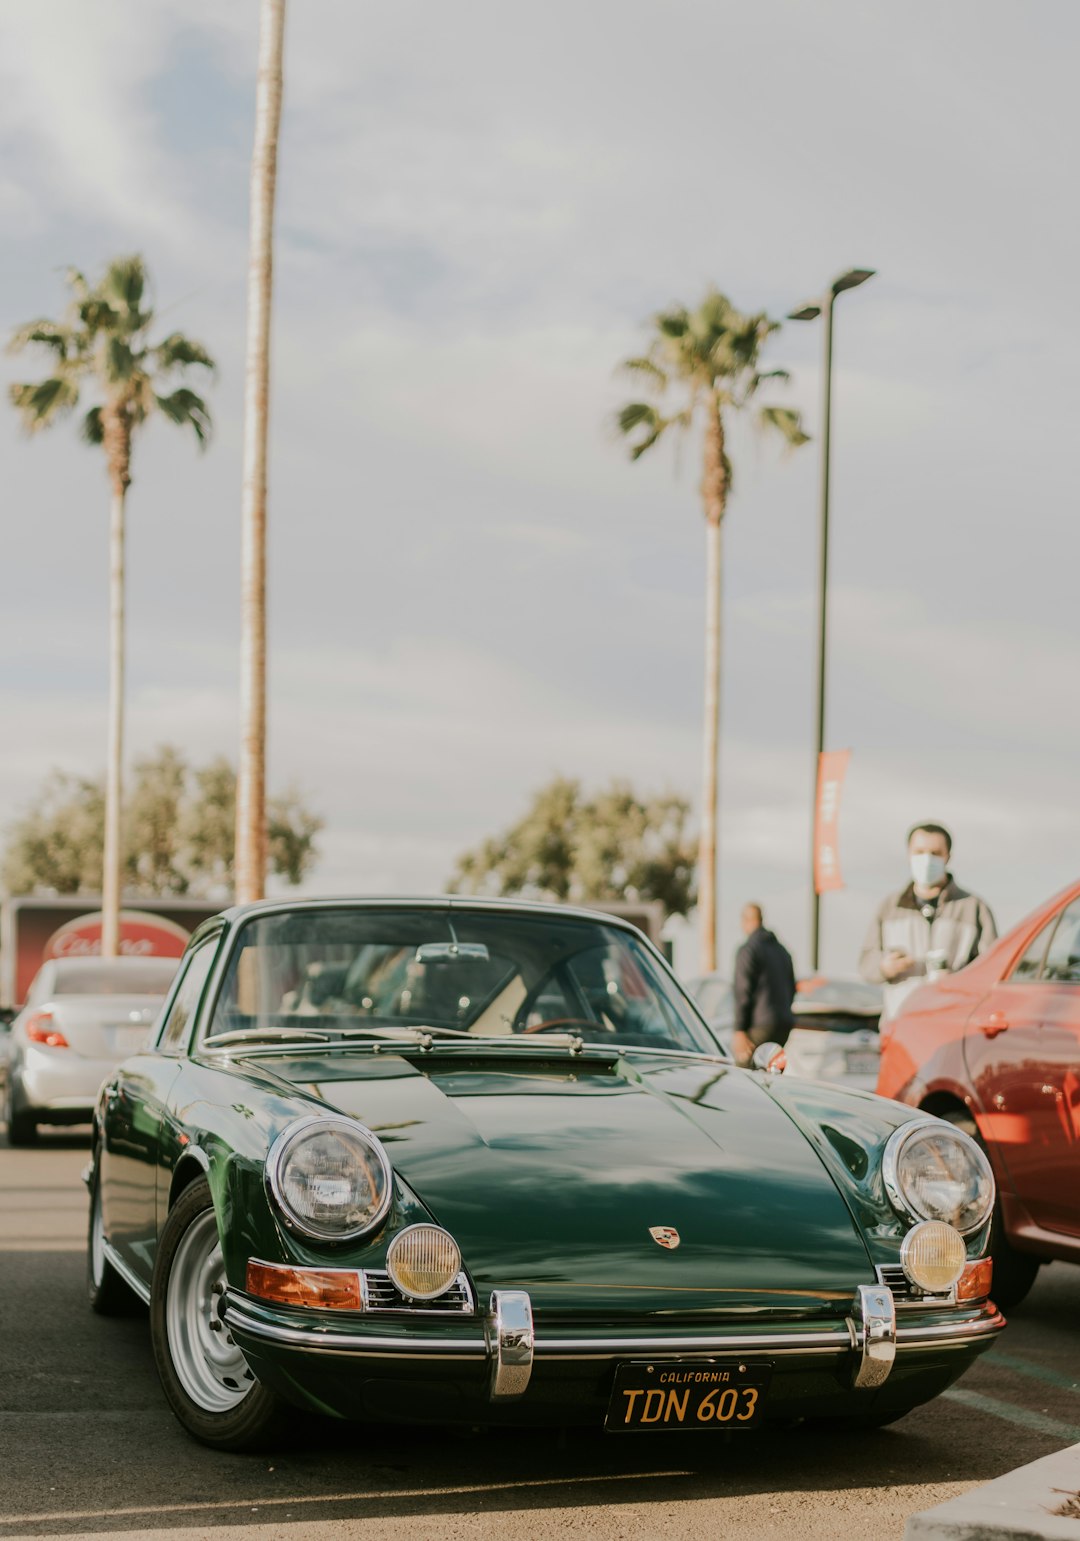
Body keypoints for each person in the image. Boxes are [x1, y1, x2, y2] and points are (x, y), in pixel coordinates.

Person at [859, 821, 997, 1020]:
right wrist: (884, 967)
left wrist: (958, 981)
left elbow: (992, 968)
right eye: (920, 852)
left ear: (947, 856)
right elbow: (866, 963)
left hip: (952, 1024)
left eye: (935, 853)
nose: (927, 859)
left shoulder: (973, 907)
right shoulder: (890, 907)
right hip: (901, 1022)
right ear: (909, 854)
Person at [731, 903, 796, 1067]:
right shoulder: (782, 951)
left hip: (760, 1026)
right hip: (783, 1025)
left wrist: (739, 1029)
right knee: (771, 1076)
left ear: (746, 921)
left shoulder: (749, 949)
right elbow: (792, 987)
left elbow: (743, 991)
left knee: (744, 1075)